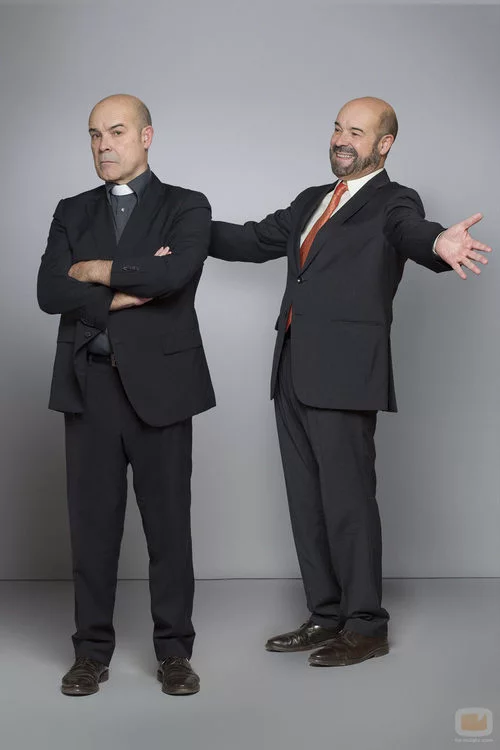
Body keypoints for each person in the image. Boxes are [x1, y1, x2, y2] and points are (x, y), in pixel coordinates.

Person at [208, 97, 491, 667]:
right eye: (338, 127)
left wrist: (440, 243)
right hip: (291, 367)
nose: (342, 138)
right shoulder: (310, 201)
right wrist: (183, 226)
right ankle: (324, 614)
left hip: (343, 373)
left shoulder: (394, 201)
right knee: (306, 502)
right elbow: (250, 240)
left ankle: (366, 626)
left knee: (347, 503)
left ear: (384, 144)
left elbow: (413, 232)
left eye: (357, 132)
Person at [37, 94, 215, 696]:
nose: (103, 145)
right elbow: (48, 291)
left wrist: (90, 270)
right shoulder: (71, 209)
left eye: (116, 132)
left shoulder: (187, 204)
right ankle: (90, 653)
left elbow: (172, 276)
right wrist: (124, 286)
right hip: (89, 386)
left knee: (169, 529)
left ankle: (174, 653)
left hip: (163, 388)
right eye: (94, 134)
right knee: (92, 530)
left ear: (146, 136)